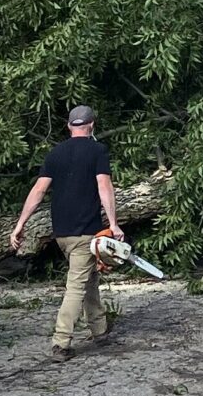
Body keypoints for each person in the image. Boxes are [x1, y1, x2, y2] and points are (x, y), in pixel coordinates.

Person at [9, 105, 122, 361]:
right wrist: (113, 223)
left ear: (69, 126)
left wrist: (20, 223)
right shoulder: (97, 151)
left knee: (87, 278)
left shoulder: (55, 154)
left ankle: (100, 329)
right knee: (76, 286)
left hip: (62, 233)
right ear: (91, 125)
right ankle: (61, 342)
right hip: (86, 231)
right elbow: (104, 185)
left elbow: (38, 191)